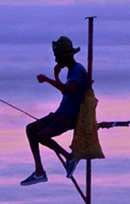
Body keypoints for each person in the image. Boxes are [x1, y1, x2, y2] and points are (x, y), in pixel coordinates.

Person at [20, 36, 90, 185]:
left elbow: (69, 90)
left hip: (70, 117)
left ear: (64, 56)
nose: (56, 60)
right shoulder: (71, 71)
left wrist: (48, 79)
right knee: (31, 129)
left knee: (42, 136)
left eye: (57, 57)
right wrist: (57, 77)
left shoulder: (77, 70)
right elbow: (67, 94)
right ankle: (39, 171)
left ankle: (69, 157)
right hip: (61, 113)